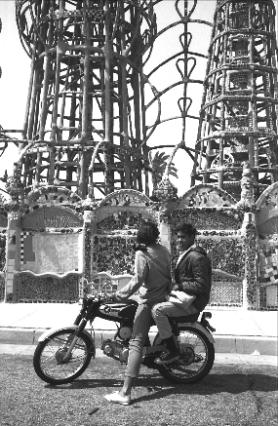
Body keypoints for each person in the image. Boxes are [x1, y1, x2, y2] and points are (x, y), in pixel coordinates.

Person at [104, 220, 171, 406]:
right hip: (163, 299)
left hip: (149, 303)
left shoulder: (142, 254)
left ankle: (125, 393)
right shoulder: (164, 251)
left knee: (136, 343)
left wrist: (118, 295)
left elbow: (138, 280)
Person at [152, 222, 212, 365]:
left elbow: (201, 285)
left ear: (192, 237)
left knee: (158, 311)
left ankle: (173, 350)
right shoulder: (186, 254)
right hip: (186, 300)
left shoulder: (197, 257)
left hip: (193, 303)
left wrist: (179, 286)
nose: (179, 240)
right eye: (178, 237)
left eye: (183, 237)